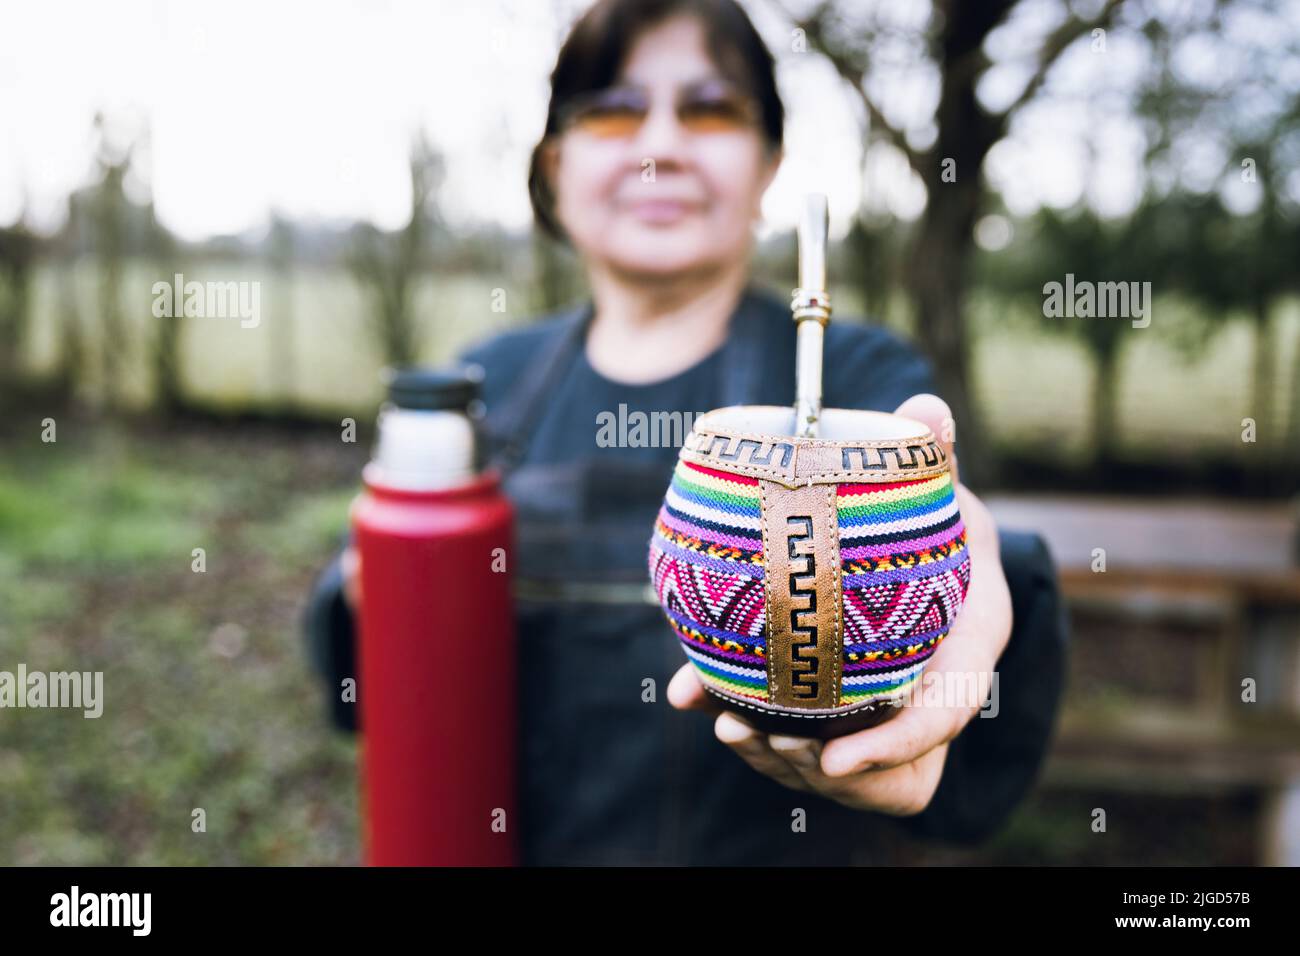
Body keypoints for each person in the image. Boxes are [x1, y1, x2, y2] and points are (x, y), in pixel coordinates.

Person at [304, 0, 1068, 865]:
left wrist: (966, 571)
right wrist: (384, 589)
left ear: (768, 161)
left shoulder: (859, 382)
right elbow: (372, 687)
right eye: (612, 111)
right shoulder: (485, 387)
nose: (659, 147)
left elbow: (953, 524)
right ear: (556, 165)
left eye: (710, 110)